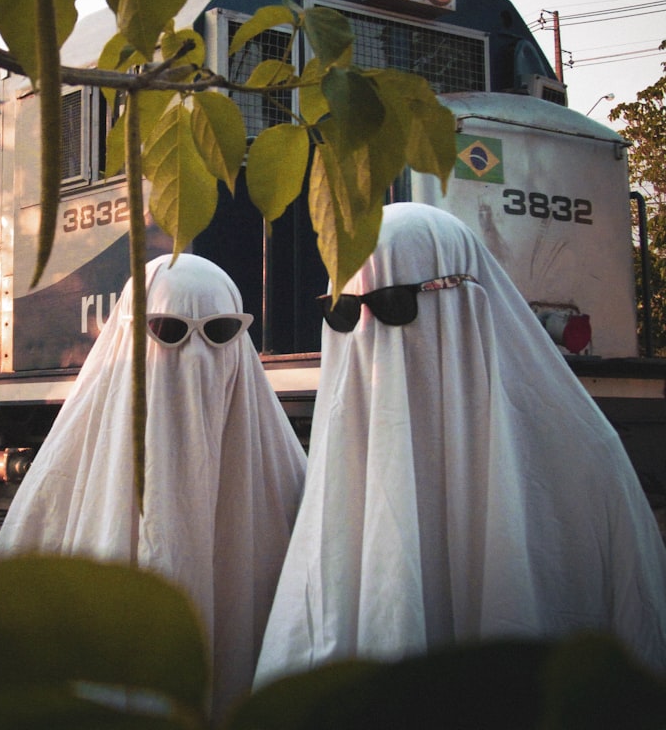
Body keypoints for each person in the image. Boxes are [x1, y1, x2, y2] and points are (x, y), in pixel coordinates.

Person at [254, 202, 666, 687]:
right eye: (343, 312)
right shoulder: (340, 462)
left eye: (392, 307)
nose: (368, 334)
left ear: (466, 300)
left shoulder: (584, 463)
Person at [0, 253, 307, 722]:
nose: (197, 356)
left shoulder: (292, 484)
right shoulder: (56, 490)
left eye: (219, 331)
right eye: (168, 330)